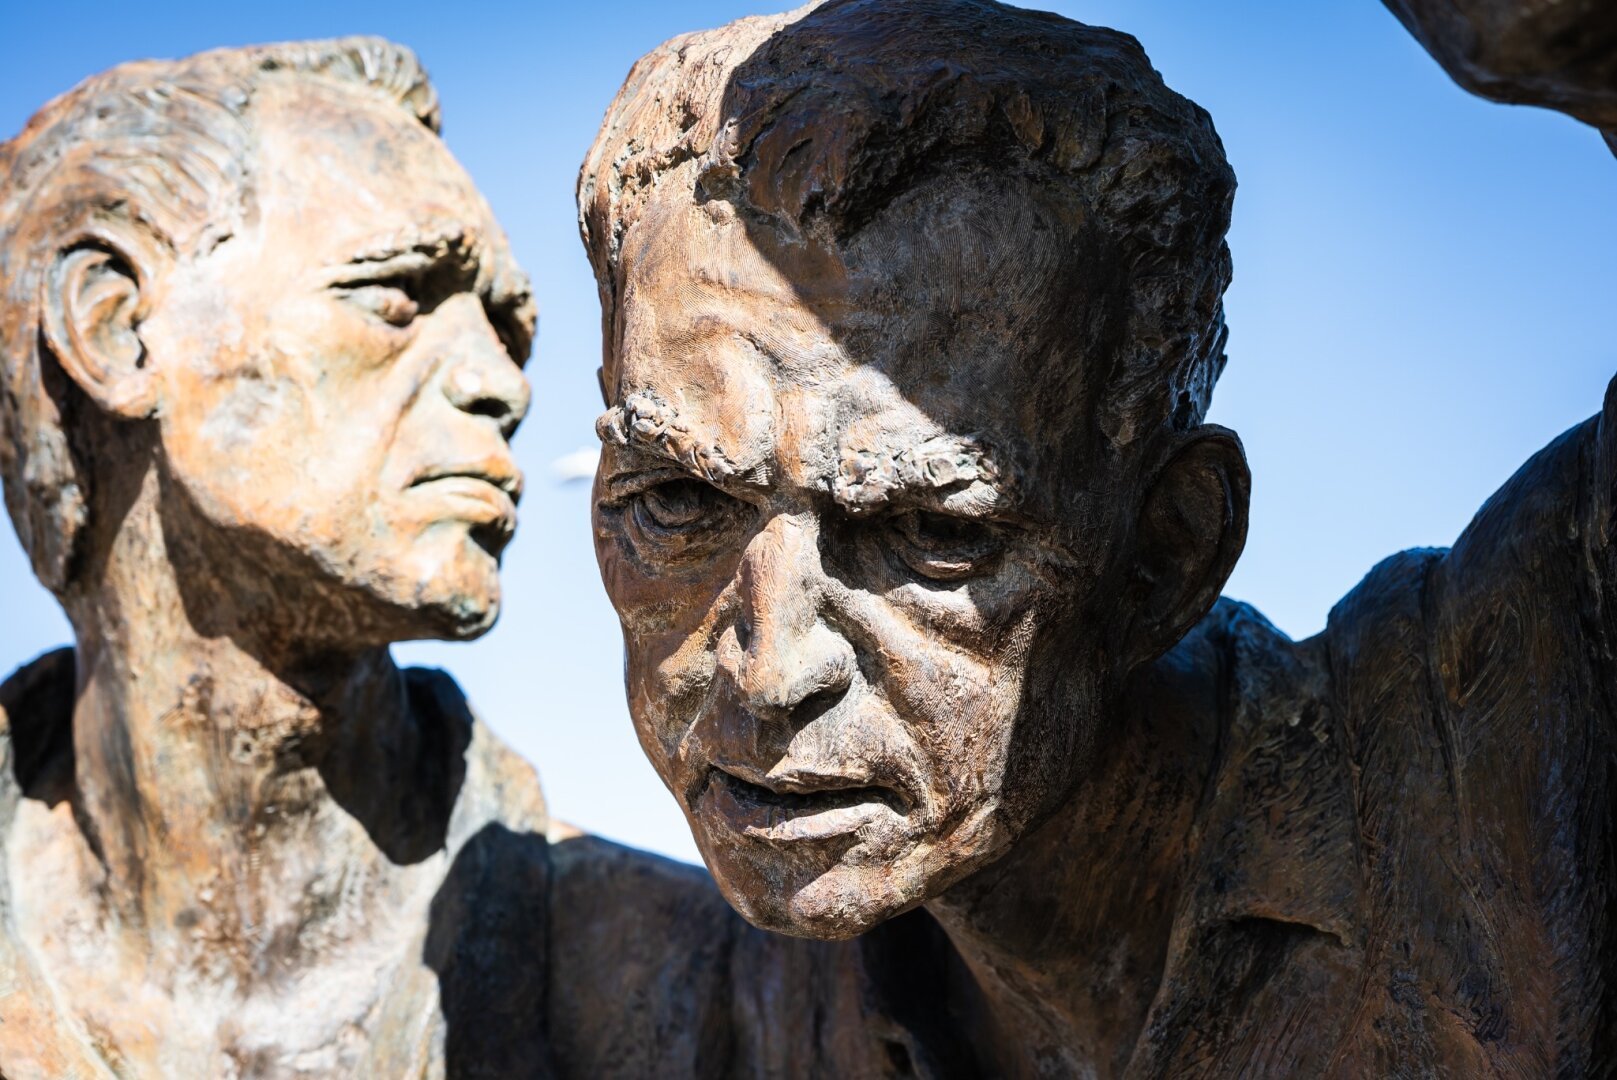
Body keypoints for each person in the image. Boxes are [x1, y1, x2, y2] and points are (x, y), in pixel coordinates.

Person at [580, 0, 1617, 1073]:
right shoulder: (718, 1001)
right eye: (677, 504)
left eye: (933, 532)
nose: (769, 670)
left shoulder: (1512, 747)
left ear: (1165, 556)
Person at [0, 36, 930, 1078]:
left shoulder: (712, 993)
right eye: (398, 298)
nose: (502, 384)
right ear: (116, 328)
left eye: (509, 330)